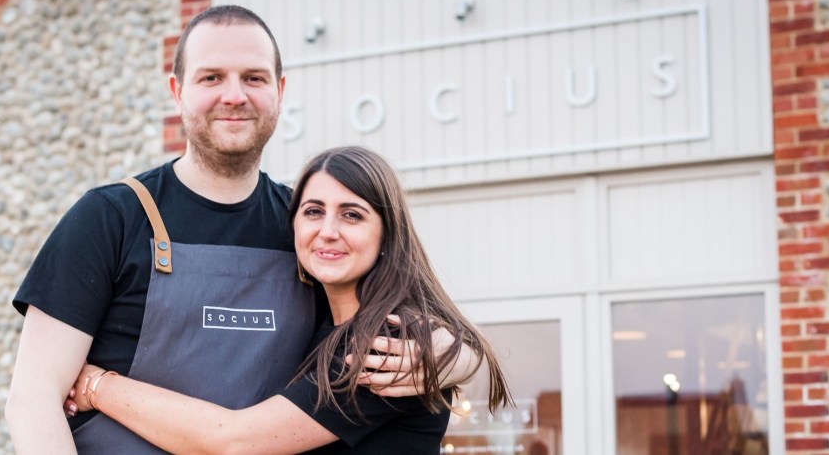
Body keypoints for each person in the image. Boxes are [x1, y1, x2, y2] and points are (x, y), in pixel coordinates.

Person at [5, 5, 478, 454]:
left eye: (253, 78)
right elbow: (33, 401)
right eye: (211, 78)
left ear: (280, 90)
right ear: (177, 92)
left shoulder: (304, 230)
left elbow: (392, 319)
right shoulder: (109, 218)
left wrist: (455, 355)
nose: (234, 95)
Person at [64, 146, 511, 454]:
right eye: (313, 211)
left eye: (352, 215)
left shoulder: (383, 342)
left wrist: (97, 385)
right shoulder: (321, 322)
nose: (328, 230)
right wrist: (464, 353)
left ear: (386, 233)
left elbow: (232, 441)